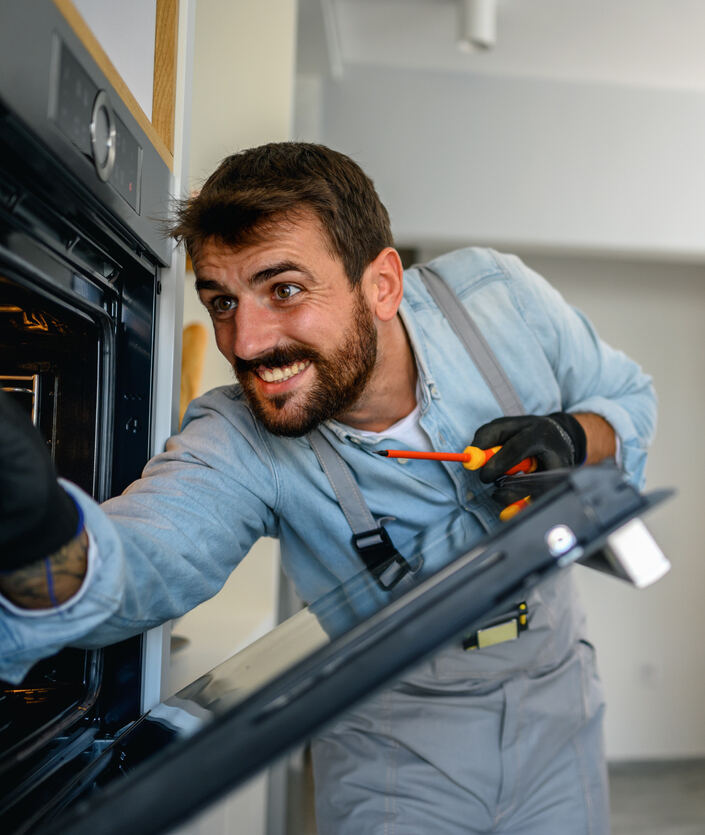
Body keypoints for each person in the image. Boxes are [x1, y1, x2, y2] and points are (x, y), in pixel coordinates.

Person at [0, 142, 655, 834]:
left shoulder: (496, 300)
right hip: (392, 744)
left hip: (560, 701)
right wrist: (40, 529)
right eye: (222, 301)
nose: (245, 342)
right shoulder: (236, 435)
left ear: (381, 285)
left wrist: (576, 436)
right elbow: (145, 561)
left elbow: (626, 396)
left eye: (283, 289)